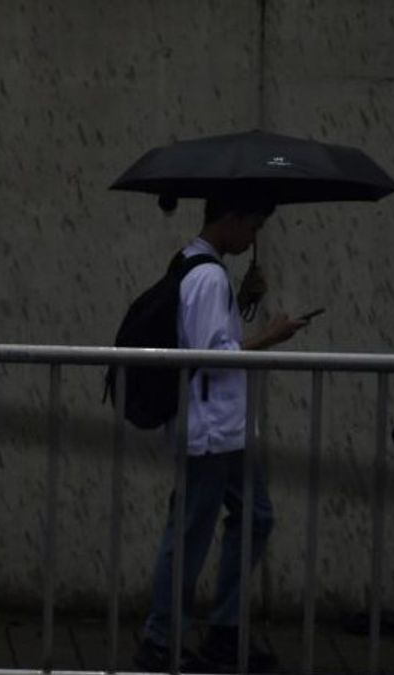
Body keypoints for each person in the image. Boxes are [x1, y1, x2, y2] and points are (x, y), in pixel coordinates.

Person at [133, 194, 308, 673]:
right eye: (252, 226)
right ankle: (161, 639)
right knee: (191, 530)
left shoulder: (192, 262)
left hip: (223, 427)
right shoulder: (208, 276)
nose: (253, 237)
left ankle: (224, 633)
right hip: (210, 427)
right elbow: (214, 354)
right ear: (229, 220)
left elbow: (211, 336)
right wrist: (270, 334)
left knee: (254, 516)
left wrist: (244, 302)